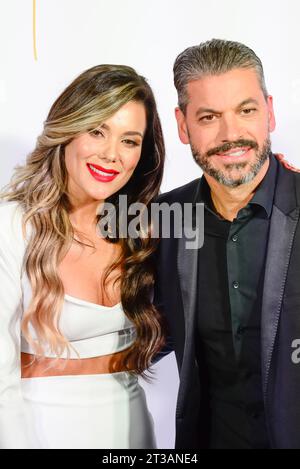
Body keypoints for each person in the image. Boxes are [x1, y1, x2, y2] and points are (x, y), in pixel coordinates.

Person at [0, 64, 165, 449]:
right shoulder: (13, 224)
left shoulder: (140, 228)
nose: (112, 155)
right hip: (41, 433)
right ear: (67, 129)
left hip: (134, 432)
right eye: (97, 131)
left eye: (130, 141)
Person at [154, 38, 300, 449]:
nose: (231, 134)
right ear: (183, 126)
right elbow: (140, 331)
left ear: (269, 112)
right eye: (209, 117)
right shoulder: (161, 219)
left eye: (246, 110)